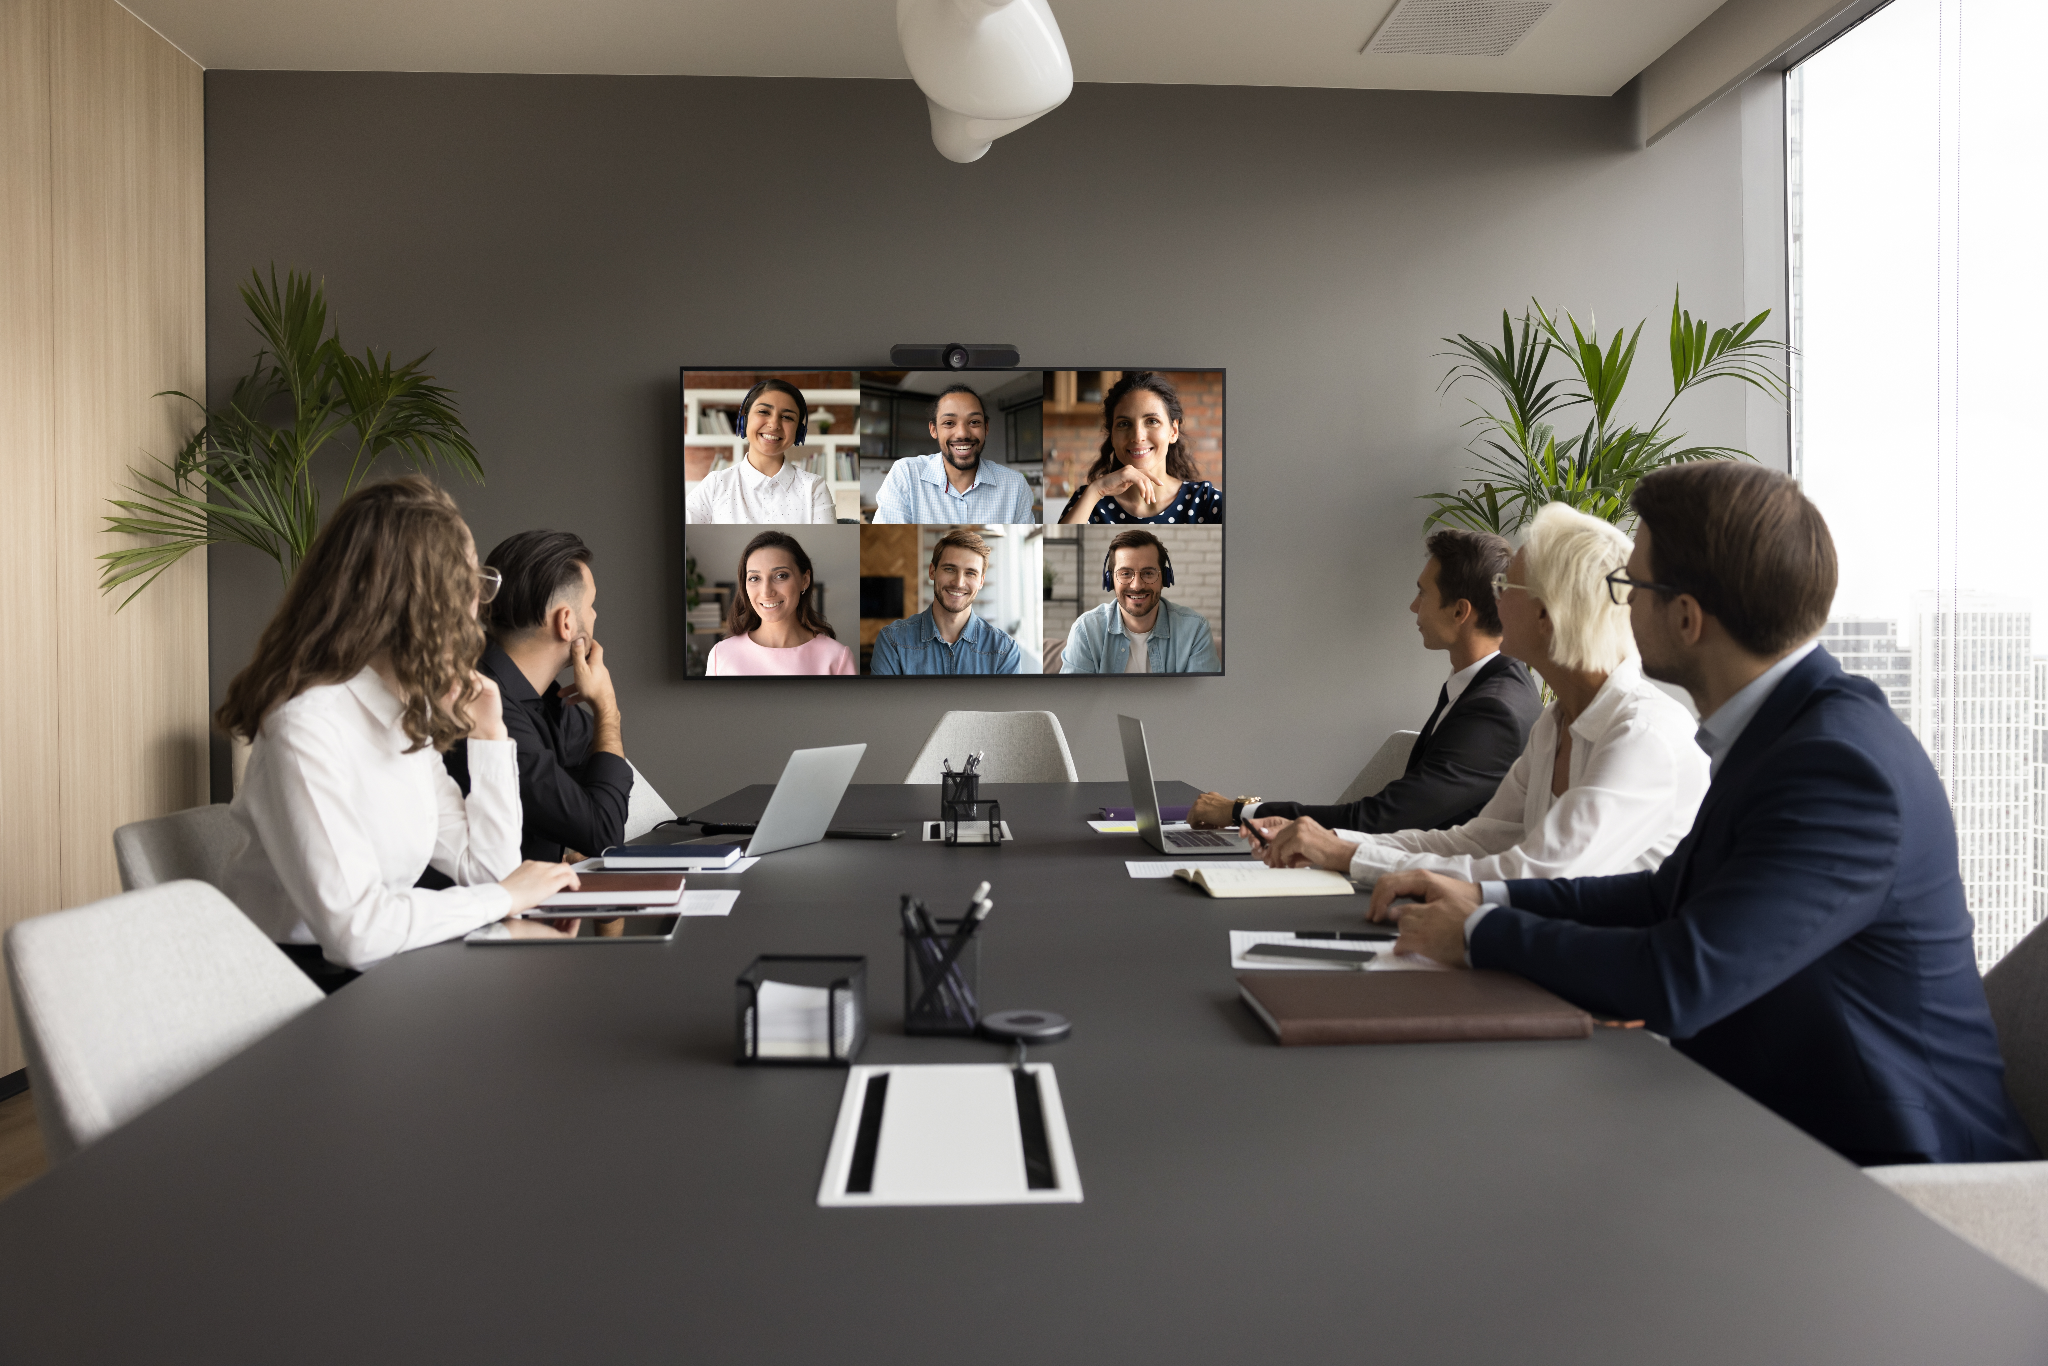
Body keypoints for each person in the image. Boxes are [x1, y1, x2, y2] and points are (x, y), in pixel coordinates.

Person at [1376, 464, 2037, 1166]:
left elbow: (1680, 979)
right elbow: (1665, 897)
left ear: (1686, 618)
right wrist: (1484, 894)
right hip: (1776, 1118)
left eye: (1630, 587)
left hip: (1894, 1178)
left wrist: (1480, 932)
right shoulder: (1785, 728)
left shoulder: (1840, 768)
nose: (1618, 608)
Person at [218, 477, 583, 989]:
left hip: (376, 970)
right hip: (289, 988)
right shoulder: (304, 727)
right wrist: (505, 898)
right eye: (469, 583)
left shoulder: (401, 715)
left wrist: (490, 735)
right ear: (420, 601)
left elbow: (488, 869)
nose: (480, 605)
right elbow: (356, 931)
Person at [1247, 503, 1708, 889]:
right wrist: (1336, 844)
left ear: (1548, 615)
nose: (1495, 601)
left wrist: (1347, 856)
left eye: (1506, 587)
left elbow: (1533, 875)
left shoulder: (1643, 737)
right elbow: (1473, 841)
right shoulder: (1554, 724)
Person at [1190, 528, 1540, 834]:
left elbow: (1379, 820)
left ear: (1459, 611)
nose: (1413, 607)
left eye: (1423, 593)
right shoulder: (1482, 686)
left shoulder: (1495, 711)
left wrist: (1240, 812)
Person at [446, 530, 633, 863]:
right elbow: (603, 833)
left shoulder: (542, 697)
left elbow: (598, 784)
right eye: (591, 606)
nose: (594, 616)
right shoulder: (488, 710)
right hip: (488, 911)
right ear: (566, 622)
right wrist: (607, 709)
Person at [1057, 372, 1222, 525]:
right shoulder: (1088, 498)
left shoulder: (1207, 501)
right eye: (1124, 424)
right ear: (1112, 436)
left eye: (1151, 421)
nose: (1137, 436)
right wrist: (1096, 490)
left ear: (1173, 431)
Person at [1059, 529, 1218, 674]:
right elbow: (1073, 700)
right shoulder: (1086, 631)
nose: (1137, 585)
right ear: (1110, 581)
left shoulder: (1196, 630)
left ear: (1165, 578)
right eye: (1125, 573)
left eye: (1148, 573)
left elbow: (1204, 700)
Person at [871, 385, 1036, 524]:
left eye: (974, 422)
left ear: (986, 428)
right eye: (949, 423)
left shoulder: (1016, 486)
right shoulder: (905, 474)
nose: (962, 433)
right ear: (934, 430)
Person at [869, 527, 1023, 674]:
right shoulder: (892, 641)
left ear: (981, 581)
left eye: (970, 573)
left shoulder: (1004, 650)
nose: (958, 583)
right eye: (949, 569)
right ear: (932, 571)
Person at [705, 530, 857, 676]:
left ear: (805, 580)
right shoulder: (722, 655)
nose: (766, 592)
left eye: (780, 576)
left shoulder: (836, 658)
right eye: (754, 578)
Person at [685, 378, 835, 524]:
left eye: (787, 417)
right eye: (763, 411)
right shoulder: (715, 484)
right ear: (744, 421)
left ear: (799, 432)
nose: (774, 424)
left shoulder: (814, 487)